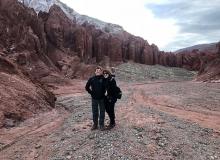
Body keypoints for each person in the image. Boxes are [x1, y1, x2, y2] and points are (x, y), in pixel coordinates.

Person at [85, 66, 106, 131]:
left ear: (101, 72)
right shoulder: (92, 79)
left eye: (99, 71)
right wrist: (91, 93)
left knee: (102, 112)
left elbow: (108, 86)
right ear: (95, 72)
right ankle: (95, 125)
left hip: (102, 98)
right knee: (95, 112)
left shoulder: (104, 79)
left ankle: (101, 125)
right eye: (97, 71)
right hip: (94, 98)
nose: (98, 72)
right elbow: (87, 87)